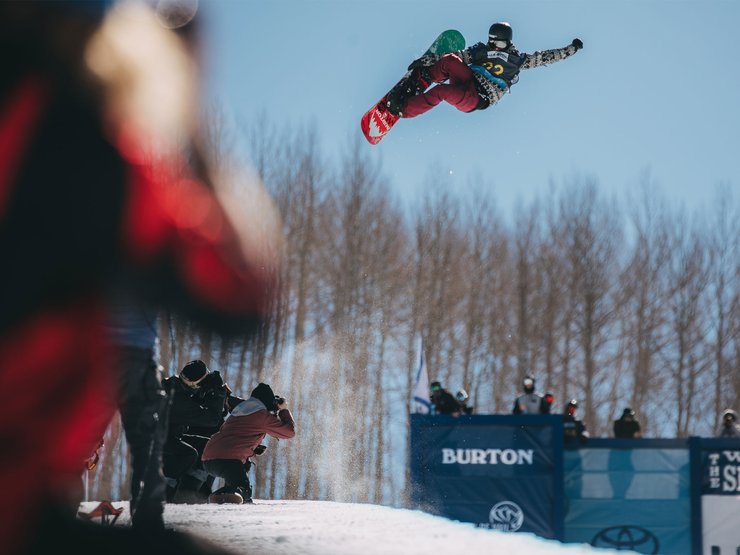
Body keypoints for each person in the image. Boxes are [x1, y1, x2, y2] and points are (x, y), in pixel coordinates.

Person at [0, 2, 279, 553]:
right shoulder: (91, 148)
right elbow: (240, 293)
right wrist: (195, 111)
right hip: (17, 506)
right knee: (141, 443)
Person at [386, 21, 583, 118]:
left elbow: (545, 57)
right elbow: (461, 57)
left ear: (506, 42)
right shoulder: (482, 50)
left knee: (442, 92)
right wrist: (429, 60)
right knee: (450, 60)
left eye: (496, 42)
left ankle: (403, 110)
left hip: (478, 97)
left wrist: (571, 49)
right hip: (469, 78)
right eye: (491, 41)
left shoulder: (517, 60)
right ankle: (426, 76)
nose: (493, 45)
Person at [106, 294, 167, 530]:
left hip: (91, 350)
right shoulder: (150, 261)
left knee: (72, 442)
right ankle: (148, 523)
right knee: (147, 443)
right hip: (136, 354)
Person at [162, 360, 243, 503]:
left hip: (168, 436)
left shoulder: (174, 387)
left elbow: (198, 407)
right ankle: (176, 493)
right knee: (189, 454)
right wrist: (218, 393)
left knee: (208, 446)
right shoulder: (177, 399)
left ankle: (200, 492)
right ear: (194, 383)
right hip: (160, 441)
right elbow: (211, 418)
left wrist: (212, 394)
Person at [202, 383, 296, 504]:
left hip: (208, 458)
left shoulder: (239, 410)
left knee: (241, 476)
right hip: (227, 459)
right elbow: (289, 432)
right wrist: (283, 410)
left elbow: (238, 433)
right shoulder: (262, 416)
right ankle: (219, 496)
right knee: (243, 489)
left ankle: (229, 496)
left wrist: (252, 447)